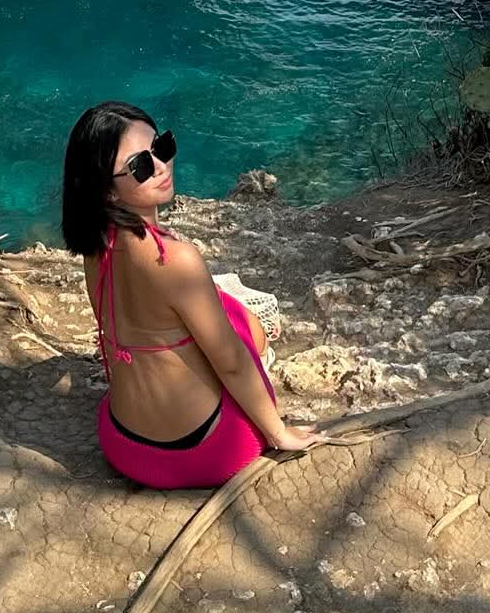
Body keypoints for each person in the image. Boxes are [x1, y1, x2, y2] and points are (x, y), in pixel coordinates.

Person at [62, 101, 320, 489]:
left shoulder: (96, 244)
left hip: (122, 442)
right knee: (239, 321)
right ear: (108, 191)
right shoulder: (175, 259)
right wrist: (279, 433)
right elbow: (231, 363)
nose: (161, 166)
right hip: (202, 454)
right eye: (140, 166)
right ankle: (261, 361)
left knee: (212, 305)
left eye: (161, 147)